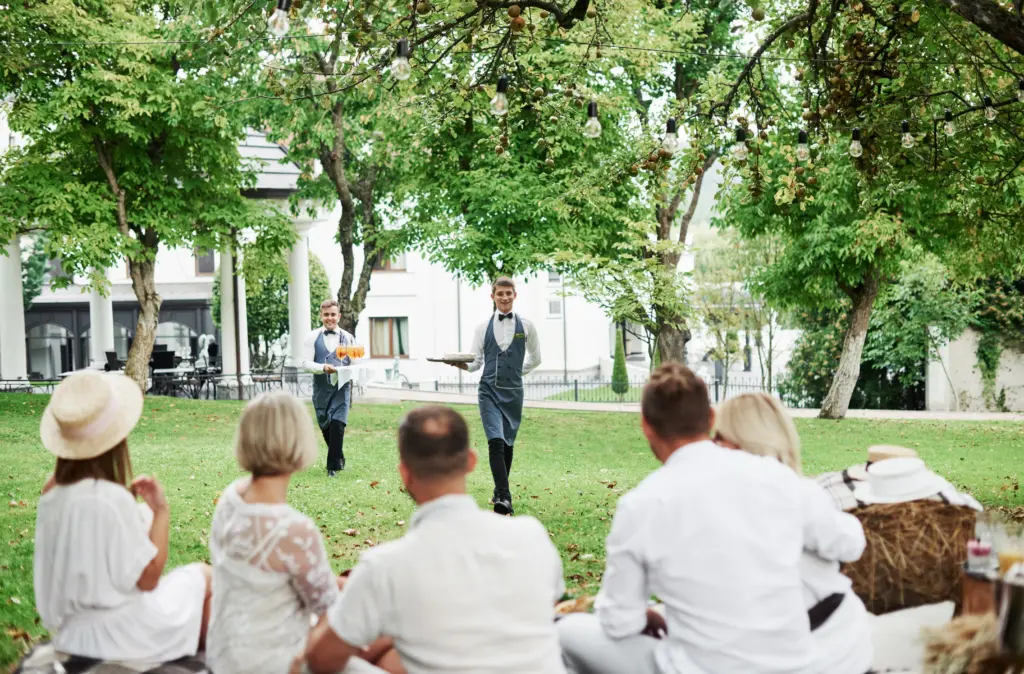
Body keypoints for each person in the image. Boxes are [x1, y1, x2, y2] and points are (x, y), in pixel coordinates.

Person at [558, 363, 860, 674]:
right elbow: (851, 543)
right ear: (712, 418)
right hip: (793, 666)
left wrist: (648, 616)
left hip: (697, 666)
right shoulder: (775, 477)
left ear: (646, 425)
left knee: (565, 630)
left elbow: (619, 622)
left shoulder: (640, 506)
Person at [293, 405, 566, 674]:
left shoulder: (385, 566)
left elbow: (321, 661)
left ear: (404, 474)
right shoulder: (532, 536)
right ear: (471, 461)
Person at [207, 391, 399, 674]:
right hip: (274, 662)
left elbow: (271, 576)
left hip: (223, 652)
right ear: (298, 440)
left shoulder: (231, 498)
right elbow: (334, 614)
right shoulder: (294, 530)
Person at [33, 370, 211, 662]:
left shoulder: (51, 496)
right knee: (204, 577)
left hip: (70, 634)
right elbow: (149, 578)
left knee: (189, 585)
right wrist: (160, 512)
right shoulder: (108, 497)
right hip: (122, 635)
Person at [714, 392, 871, 674]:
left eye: (719, 437)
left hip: (775, 647)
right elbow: (850, 545)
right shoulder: (794, 491)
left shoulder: (702, 496)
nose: (714, 445)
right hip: (819, 642)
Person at [448, 277, 541, 515]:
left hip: (513, 393)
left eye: (509, 293)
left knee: (508, 444)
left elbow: (536, 358)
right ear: (493, 296)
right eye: (500, 293)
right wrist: (456, 364)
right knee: (496, 441)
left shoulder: (527, 326)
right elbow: (475, 363)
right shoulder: (482, 328)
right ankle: (504, 497)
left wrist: (515, 372)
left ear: (515, 295)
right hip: (488, 390)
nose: (505, 297)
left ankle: (499, 491)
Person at [303, 298, 356, 475]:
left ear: (339, 316)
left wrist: (355, 370)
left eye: (333, 314)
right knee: (325, 425)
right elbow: (305, 363)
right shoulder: (312, 337)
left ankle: (332, 468)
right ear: (321, 316)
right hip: (321, 390)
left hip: (342, 388)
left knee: (337, 424)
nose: (330, 318)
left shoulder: (348, 338)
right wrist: (322, 368)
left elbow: (356, 361)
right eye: (326, 315)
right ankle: (338, 455)